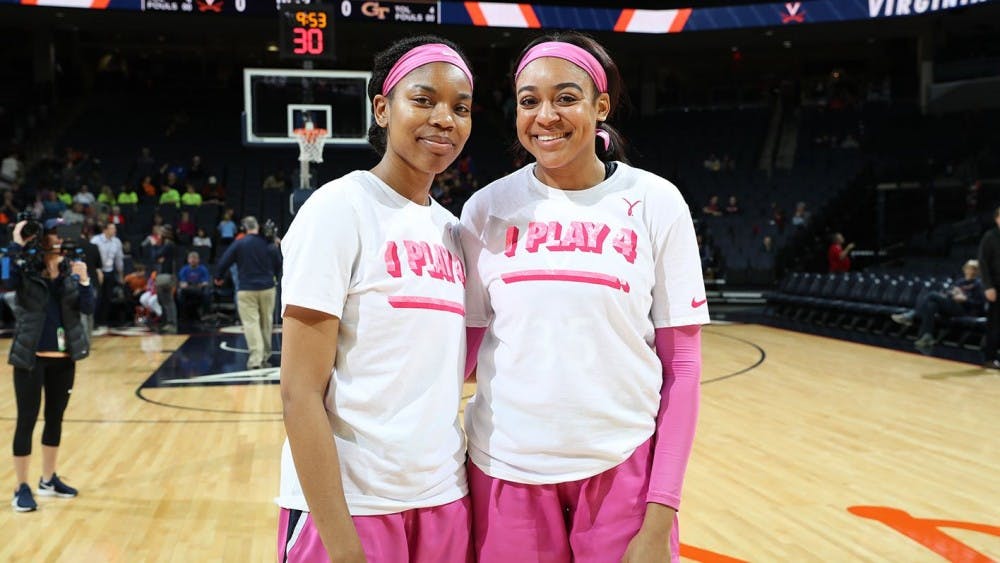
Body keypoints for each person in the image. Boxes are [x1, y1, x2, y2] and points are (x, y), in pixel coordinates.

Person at [459, 32, 708, 563]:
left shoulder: (656, 203)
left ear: (601, 105)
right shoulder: (485, 210)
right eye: (530, 101)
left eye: (566, 97)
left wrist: (661, 509)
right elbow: (460, 355)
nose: (545, 115)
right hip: (505, 470)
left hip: (624, 472)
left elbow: (683, 367)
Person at [277, 35, 474, 562]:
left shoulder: (453, 231)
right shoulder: (338, 210)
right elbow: (299, 393)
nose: (444, 118)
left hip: (442, 497)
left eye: (461, 108)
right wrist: (343, 548)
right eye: (424, 99)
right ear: (383, 108)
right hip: (351, 507)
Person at [8, 217, 94, 512]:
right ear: (41, 238)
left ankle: (48, 479)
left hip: (63, 360)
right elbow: (6, 279)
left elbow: (88, 308)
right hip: (31, 358)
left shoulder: (72, 272)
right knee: (26, 421)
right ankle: (21, 487)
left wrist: (84, 282)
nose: (60, 240)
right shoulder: (25, 271)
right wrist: (16, 244)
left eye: (64, 234)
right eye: (54, 234)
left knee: (55, 419)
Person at [214, 216, 280, 370]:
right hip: (268, 288)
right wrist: (273, 276)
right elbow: (279, 262)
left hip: (246, 289)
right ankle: (266, 355)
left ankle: (256, 359)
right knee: (266, 322)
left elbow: (223, 262)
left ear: (243, 228)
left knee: (251, 323)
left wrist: (218, 277)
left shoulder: (239, 243)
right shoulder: (269, 243)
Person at [891, 259, 984, 350]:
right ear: (965, 269)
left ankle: (911, 315)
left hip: (965, 310)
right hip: (952, 306)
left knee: (932, 295)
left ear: (978, 271)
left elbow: (980, 303)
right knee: (931, 305)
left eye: (973, 269)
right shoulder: (960, 282)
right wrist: (950, 294)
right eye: (968, 268)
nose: (970, 271)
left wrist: (965, 299)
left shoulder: (979, 284)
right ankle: (926, 337)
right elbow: (948, 293)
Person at [90, 222, 124, 330]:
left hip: (110, 271)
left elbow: (119, 259)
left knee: (107, 297)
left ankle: (103, 321)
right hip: (98, 272)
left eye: (115, 228)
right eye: (112, 228)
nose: (115, 230)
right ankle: (94, 321)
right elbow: (92, 258)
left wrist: (120, 274)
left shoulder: (117, 241)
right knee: (97, 297)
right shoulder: (95, 240)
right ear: (105, 230)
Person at [978, 207, 1000, 369]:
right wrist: (988, 286)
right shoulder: (990, 237)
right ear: (997, 219)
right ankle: (990, 357)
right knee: (995, 323)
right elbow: (983, 263)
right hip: (996, 286)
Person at [177, 251, 211, 322]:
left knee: (207, 291)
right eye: (191, 259)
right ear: (188, 260)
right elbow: (182, 283)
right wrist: (185, 285)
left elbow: (206, 282)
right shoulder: (184, 269)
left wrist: (199, 285)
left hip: (199, 289)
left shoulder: (203, 269)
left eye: (195, 259)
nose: (193, 260)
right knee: (180, 292)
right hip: (188, 290)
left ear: (198, 260)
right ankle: (182, 315)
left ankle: (206, 314)